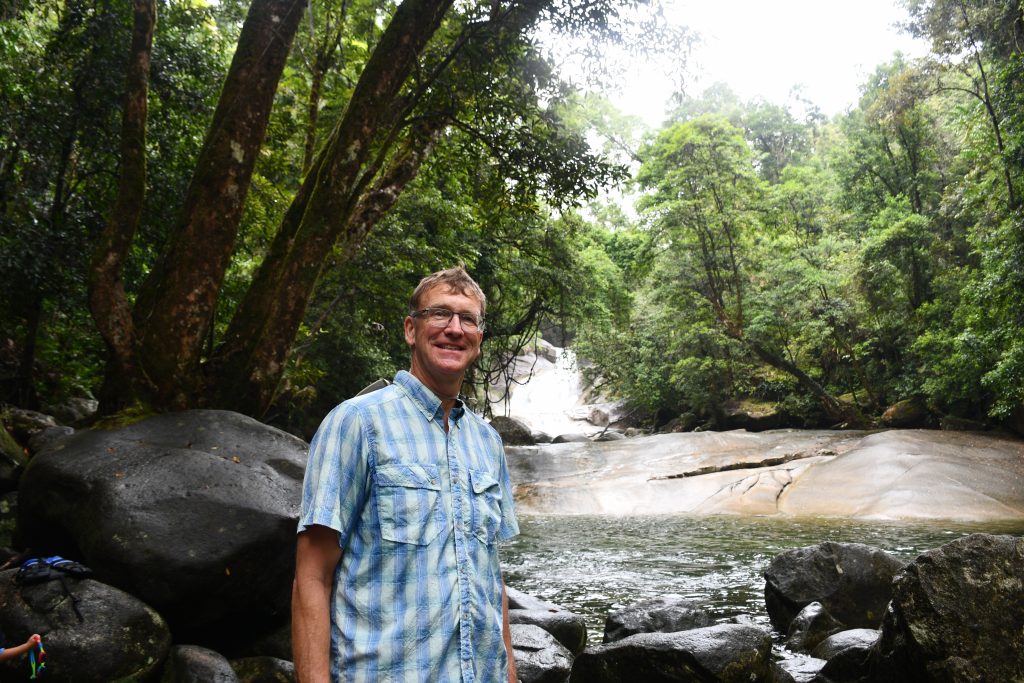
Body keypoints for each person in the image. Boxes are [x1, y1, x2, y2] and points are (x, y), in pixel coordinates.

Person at [292, 266, 520, 683]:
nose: (455, 329)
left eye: (468, 319)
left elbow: (490, 574)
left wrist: (510, 674)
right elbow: (312, 574)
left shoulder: (487, 441)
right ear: (411, 330)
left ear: (479, 339)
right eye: (440, 314)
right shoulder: (357, 422)